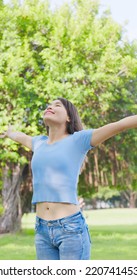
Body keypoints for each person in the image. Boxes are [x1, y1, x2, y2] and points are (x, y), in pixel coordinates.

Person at [0, 97, 137, 260]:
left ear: (69, 117)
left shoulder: (79, 140)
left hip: (70, 229)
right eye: (48, 105)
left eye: (57, 105)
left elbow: (119, 125)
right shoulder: (39, 143)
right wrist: (10, 133)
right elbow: (20, 137)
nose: (50, 107)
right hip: (41, 230)